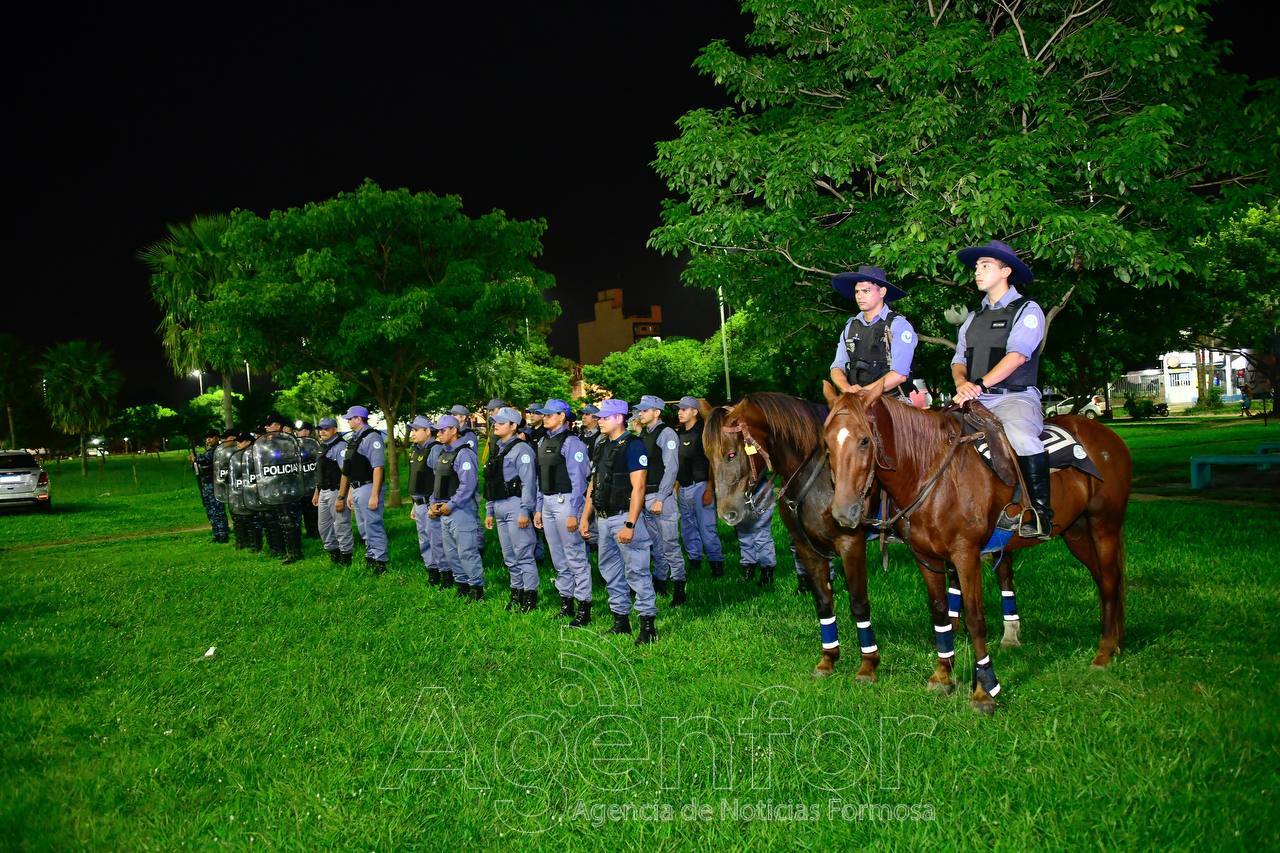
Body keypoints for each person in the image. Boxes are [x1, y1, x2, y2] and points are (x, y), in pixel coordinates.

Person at [950, 239, 1053, 540]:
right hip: (973, 397)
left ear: (1006, 271)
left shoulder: (1027, 310)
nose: (977, 272)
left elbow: (1017, 356)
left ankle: (1040, 514)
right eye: (977, 267)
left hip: (1015, 397)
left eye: (986, 266)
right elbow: (958, 360)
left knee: (1021, 437)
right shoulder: (972, 318)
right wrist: (961, 383)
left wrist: (979, 385)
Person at [580, 399, 658, 644]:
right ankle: (620, 621)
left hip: (625, 518)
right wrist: (585, 517)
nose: (599, 420)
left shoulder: (634, 446)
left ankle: (647, 627)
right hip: (603, 520)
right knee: (611, 572)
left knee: (637, 571)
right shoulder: (602, 445)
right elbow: (595, 483)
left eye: (604, 417)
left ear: (618, 418)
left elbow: (639, 487)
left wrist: (630, 525)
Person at [532, 398, 593, 624]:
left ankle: (584, 607)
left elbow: (580, 482)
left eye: (550, 414)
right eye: (544, 414)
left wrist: (574, 513)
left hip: (566, 502)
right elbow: (541, 478)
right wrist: (538, 508)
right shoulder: (542, 442)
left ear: (562, 417)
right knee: (558, 557)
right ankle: (566, 602)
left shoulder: (572, 443)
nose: (545, 417)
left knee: (575, 556)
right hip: (547, 502)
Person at [829, 265, 917, 400]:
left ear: (882, 292)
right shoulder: (850, 327)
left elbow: (899, 375)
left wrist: (862, 393)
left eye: (866, 291)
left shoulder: (898, 326)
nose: (859, 296)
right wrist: (847, 389)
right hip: (856, 401)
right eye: (857, 291)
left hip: (893, 404)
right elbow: (837, 367)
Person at [484, 407, 540, 611]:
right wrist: (489, 510)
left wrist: (525, 510)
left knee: (523, 552)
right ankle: (516, 591)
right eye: (495, 422)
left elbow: (528, 483)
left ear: (514, 426)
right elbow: (491, 481)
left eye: (501, 422)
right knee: (509, 555)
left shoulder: (522, 449)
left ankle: (530, 596)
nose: (496, 425)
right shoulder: (498, 447)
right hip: (499, 505)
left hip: (515, 505)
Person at [429, 415, 485, 600]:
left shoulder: (464, 453)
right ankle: (461, 585)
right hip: (444, 510)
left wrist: (451, 505)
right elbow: (438, 483)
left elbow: (468, 485)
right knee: (452, 552)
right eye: (437, 430)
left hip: (461, 510)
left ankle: (476, 589)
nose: (439, 434)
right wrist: (433, 505)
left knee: (466, 551)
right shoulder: (443, 453)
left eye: (443, 430)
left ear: (454, 430)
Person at [635, 395, 685, 604]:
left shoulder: (667, 434)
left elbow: (672, 468)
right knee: (655, 545)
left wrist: (662, 498)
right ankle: (661, 582)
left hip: (659, 497)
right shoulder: (645, 434)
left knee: (670, 544)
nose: (640, 413)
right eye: (640, 410)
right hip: (646, 496)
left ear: (657, 412)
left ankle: (680, 588)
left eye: (645, 410)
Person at [674, 397, 724, 578]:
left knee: (707, 527)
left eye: (685, 409)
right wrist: (677, 487)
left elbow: (713, 462)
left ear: (695, 412)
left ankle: (716, 563)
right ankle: (695, 560)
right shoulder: (679, 434)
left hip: (701, 486)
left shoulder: (704, 433)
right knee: (688, 528)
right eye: (679, 409)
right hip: (684, 487)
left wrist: (710, 488)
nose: (680, 412)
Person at [336, 405, 389, 573]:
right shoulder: (354, 439)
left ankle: (380, 561)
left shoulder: (372, 437)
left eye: (350, 418)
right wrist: (350, 491)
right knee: (363, 527)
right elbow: (350, 469)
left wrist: (375, 494)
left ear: (359, 419)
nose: (348, 421)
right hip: (358, 487)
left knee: (373, 524)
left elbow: (378, 468)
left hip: (369, 486)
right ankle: (371, 556)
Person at [259, 413, 304, 564]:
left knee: (289, 521)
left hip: (288, 488)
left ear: (277, 426)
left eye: (269, 424)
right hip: (276, 488)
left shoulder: (286, 443)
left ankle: (294, 553)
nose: (266, 427)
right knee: (282, 521)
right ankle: (287, 550)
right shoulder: (269, 443)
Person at [407, 416, 447, 584]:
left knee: (436, 540)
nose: (412, 434)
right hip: (419, 503)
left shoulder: (435, 449)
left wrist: (434, 503)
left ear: (428, 431)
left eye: (416, 430)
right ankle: (432, 570)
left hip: (430, 503)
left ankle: (446, 573)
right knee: (424, 540)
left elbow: (440, 479)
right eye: (412, 430)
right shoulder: (416, 449)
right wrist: (413, 504)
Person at [313, 417, 353, 565]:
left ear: (334, 430)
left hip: (336, 491)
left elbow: (346, 473)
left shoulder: (340, 446)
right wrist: (317, 491)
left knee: (341, 525)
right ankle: (334, 555)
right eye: (320, 429)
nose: (322, 432)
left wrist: (342, 497)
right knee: (323, 527)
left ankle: (346, 557)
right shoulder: (322, 446)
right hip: (324, 491)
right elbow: (320, 472)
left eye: (326, 429)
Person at [736, 476, 778, 586]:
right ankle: (748, 569)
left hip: (761, 489)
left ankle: (767, 573)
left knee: (761, 533)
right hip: (741, 489)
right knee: (744, 532)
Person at [191, 429, 230, 544]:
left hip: (215, 484)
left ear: (217, 438)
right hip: (206, 483)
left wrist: (196, 458)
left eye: (211, 437)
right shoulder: (208, 451)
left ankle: (223, 533)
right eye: (207, 437)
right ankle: (216, 533)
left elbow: (206, 459)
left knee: (217, 509)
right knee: (210, 509)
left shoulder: (218, 450)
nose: (208, 440)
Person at [228, 431, 262, 551]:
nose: (237, 443)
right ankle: (244, 542)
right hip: (241, 492)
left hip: (253, 493)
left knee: (254, 520)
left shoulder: (255, 454)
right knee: (243, 519)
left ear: (248, 442)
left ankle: (256, 545)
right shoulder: (237, 455)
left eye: (240, 441)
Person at [296, 422, 321, 539]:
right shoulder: (294, 444)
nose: (299, 432)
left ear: (307, 431)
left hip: (314, 484)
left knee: (315, 511)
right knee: (306, 511)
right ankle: (310, 531)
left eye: (301, 430)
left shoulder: (314, 444)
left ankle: (317, 532)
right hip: (302, 484)